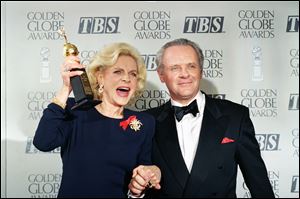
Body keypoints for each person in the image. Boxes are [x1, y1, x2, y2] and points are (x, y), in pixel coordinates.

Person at [129, 38, 275, 198]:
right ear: (161, 75)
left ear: (201, 71)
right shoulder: (147, 121)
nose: (185, 74)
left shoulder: (235, 116)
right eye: (175, 68)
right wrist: (137, 189)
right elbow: (136, 182)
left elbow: (258, 183)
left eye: (191, 66)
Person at [33, 42, 161, 197]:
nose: (127, 78)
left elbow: (143, 173)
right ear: (101, 78)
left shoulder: (145, 122)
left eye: (133, 74)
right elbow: (43, 142)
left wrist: (143, 181)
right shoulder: (76, 110)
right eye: (118, 72)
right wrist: (66, 88)